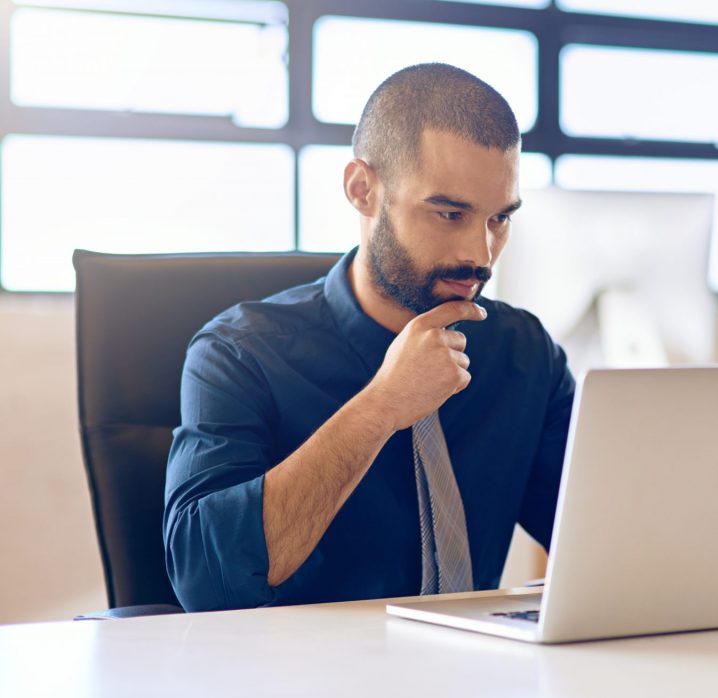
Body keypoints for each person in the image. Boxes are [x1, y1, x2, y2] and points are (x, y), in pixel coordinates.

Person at [163, 63, 576, 612]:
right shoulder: (239, 352)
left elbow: (609, 543)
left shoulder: (526, 355)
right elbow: (205, 584)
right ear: (363, 190)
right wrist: (381, 407)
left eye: (499, 219)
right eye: (450, 213)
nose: (479, 255)